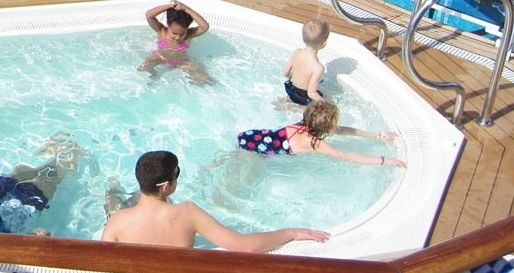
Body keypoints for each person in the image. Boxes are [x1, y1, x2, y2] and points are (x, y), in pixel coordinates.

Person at [101, 150, 330, 252]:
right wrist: (291, 233)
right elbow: (245, 246)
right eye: (176, 174)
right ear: (166, 186)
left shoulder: (118, 221)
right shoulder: (187, 212)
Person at [237, 99, 406, 168]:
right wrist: (385, 160)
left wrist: (375, 135)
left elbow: (344, 130)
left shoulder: (303, 122)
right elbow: (347, 156)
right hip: (259, 153)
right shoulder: (315, 143)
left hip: (252, 136)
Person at [137, 0, 211, 81]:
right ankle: (153, 75)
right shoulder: (161, 31)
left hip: (181, 60)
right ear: (168, 25)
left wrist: (186, 8)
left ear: (187, 29)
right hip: (160, 58)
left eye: (182, 34)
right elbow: (149, 15)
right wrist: (170, 6)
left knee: (203, 78)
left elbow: (205, 27)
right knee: (143, 68)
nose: (178, 37)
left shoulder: (189, 35)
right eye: (174, 33)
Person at [281, 18, 330, 106]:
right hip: (303, 97)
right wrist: (327, 103)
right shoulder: (318, 67)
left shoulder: (297, 52)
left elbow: (284, 73)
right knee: (327, 100)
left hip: (290, 89)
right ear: (323, 43)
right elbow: (311, 93)